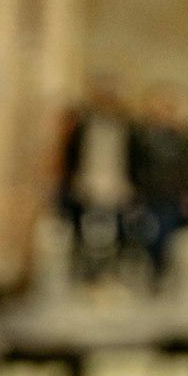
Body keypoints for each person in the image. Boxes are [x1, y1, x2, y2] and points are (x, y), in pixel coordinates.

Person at [125, 83, 188, 289]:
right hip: (149, 194)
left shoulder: (181, 139)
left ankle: (159, 271)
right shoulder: (143, 136)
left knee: (165, 236)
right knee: (148, 235)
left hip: (171, 195)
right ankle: (153, 268)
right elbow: (134, 164)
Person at [58, 77, 132, 281]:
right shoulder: (84, 124)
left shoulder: (125, 126)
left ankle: (111, 270)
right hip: (88, 181)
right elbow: (71, 154)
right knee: (82, 230)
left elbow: (132, 156)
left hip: (115, 182)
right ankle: (83, 270)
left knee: (116, 230)